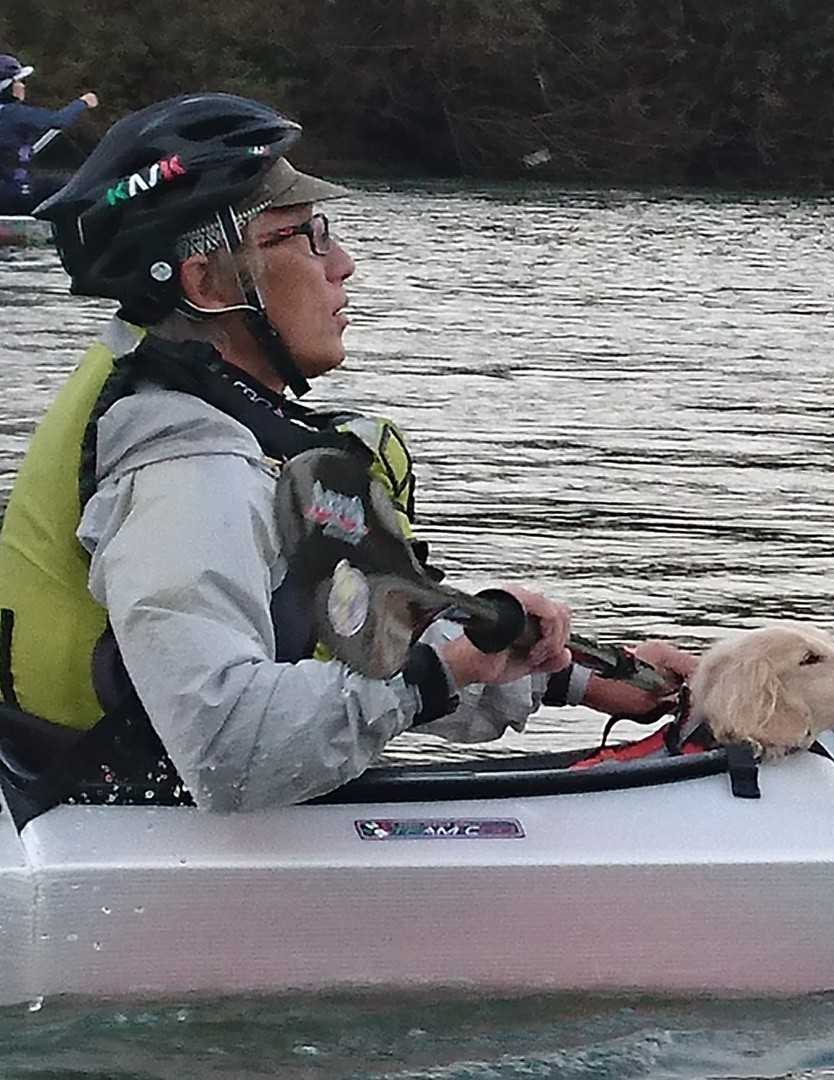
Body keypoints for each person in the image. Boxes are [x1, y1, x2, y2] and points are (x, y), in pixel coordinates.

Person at [0, 92, 693, 812]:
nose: (343, 264)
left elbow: (355, 634)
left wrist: (577, 677)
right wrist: (441, 673)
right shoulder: (185, 470)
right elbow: (230, 749)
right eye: (306, 236)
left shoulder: (208, 418)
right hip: (117, 832)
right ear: (205, 283)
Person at [0, 54, 97, 215]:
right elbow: (58, 120)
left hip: (8, 187)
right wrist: (83, 102)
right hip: (16, 191)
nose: (22, 86)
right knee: (80, 188)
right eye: (18, 82)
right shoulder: (13, 114)